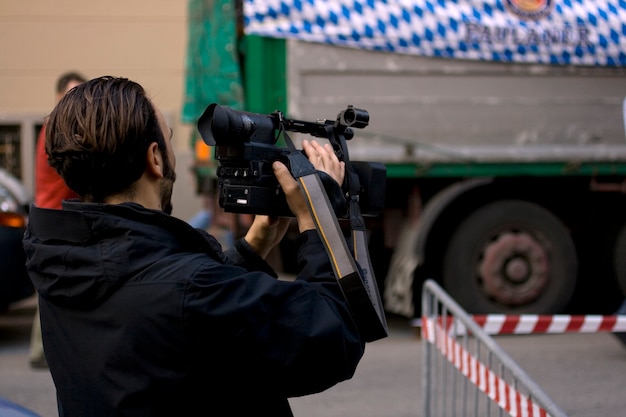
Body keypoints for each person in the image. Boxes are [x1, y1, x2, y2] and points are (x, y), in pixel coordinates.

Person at [22, 76, 365, 416]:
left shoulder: (60, 269)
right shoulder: (191, 291)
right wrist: (318, 217)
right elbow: (332, 338)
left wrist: (250, 250)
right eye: (168, 138)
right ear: (155, 158)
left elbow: (178, 324)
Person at [28, 71, 87, 369]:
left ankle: (42, 350)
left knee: (52, 282)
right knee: (56, 284)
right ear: (58, 96)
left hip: (51, 215)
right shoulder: (60, 126)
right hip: (57, 217)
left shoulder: (52, 125)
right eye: (71, 93)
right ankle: (43, 351)